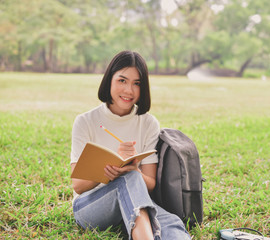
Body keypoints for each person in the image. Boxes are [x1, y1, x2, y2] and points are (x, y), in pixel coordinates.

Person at [70, 50, 191, 240]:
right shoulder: (85, 121)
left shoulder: (148, 123)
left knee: (171, 222)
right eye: (122, 81)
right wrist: (108, 172)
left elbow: (149, 183)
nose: (129, 91)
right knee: (128, 179)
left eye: (137, 84)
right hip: (89, 208)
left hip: (136, 199)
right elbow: (78, 185)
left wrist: (134, 169)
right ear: (109, 79)